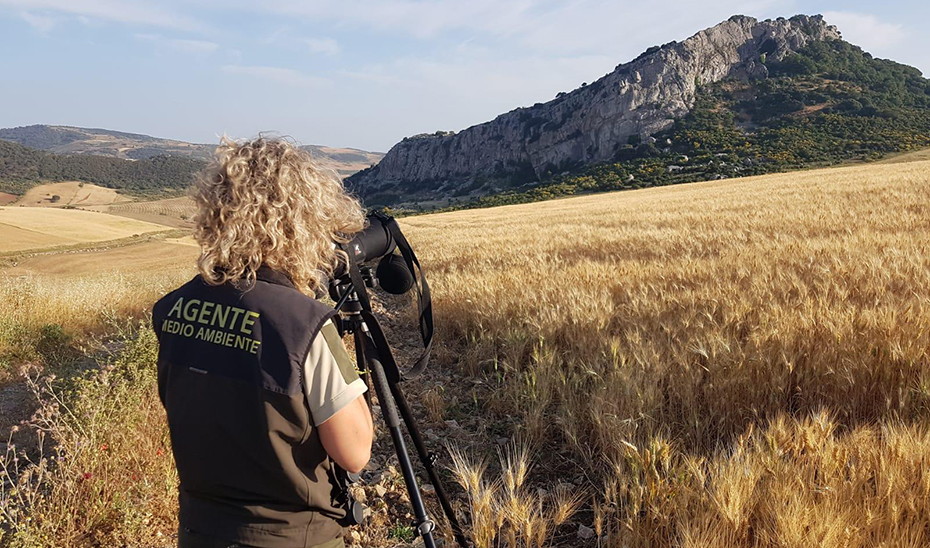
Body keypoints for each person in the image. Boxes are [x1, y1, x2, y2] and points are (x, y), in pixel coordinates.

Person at [151, 136, 374, 548]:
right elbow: (354, 451)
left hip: (200, 530)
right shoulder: (301, 323)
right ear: (303, 222)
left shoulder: (173, 308)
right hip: (291, 535)